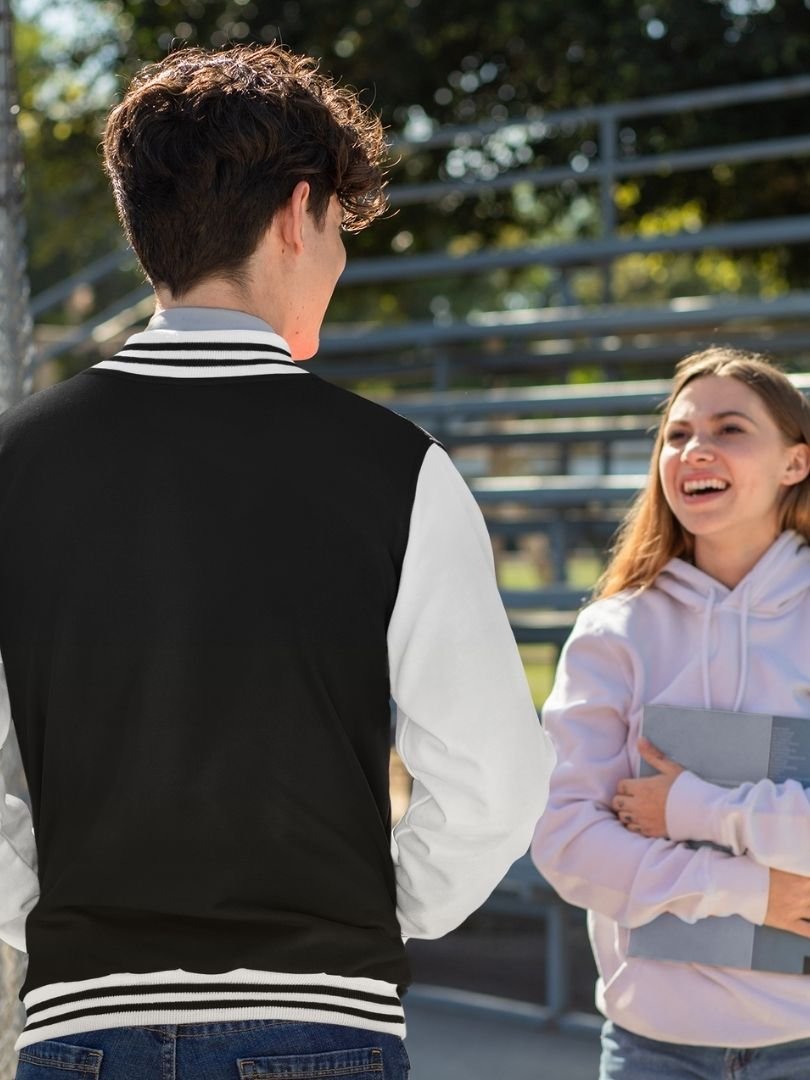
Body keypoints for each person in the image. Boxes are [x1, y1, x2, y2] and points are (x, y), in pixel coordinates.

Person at [0, 44, 554, 1078]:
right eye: (340, 228)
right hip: (320, 1017)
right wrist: (373, 906)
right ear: (299, 214)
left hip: (81, 1024)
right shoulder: (400, 469)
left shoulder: (14, 464)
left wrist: (45, 910)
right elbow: (497, 777)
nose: (339, 261)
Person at [531, 346, 810, 1079]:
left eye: (729, 429)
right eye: (678, 434)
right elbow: (565, 840)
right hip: (651, 1050)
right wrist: (756, 892)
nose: (695, 450)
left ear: (796, 462)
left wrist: (690, 809)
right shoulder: (614, 630)